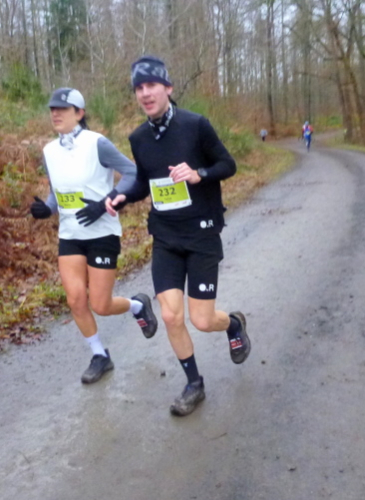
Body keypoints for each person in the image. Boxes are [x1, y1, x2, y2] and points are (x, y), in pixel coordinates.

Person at [106, 56, 251, 417]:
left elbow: (228, 165)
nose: (145, 93)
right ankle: (193, 384)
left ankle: (233, 324)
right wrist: (122, 196)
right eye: (139, 88)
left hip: (201, 235)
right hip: (166, 237)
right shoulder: (139, 138)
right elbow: (144, 183)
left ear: (168, 88)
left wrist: (199, 173)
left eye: (151, 86)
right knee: (171, 316)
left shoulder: (195, 125)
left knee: (202, 320)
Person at [29, 87, 158, 384]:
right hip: (70, 234)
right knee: (75, 300)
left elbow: (132, 173)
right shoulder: (49, 151)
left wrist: (107, 201)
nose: (55, 114)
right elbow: (56, 193)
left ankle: (137, 306)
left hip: (102, 232)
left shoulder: (96, 143)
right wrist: (46, 209)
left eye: (63, 109)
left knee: (101, 304)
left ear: (80, 113)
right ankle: (100, 354)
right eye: (52, 109)